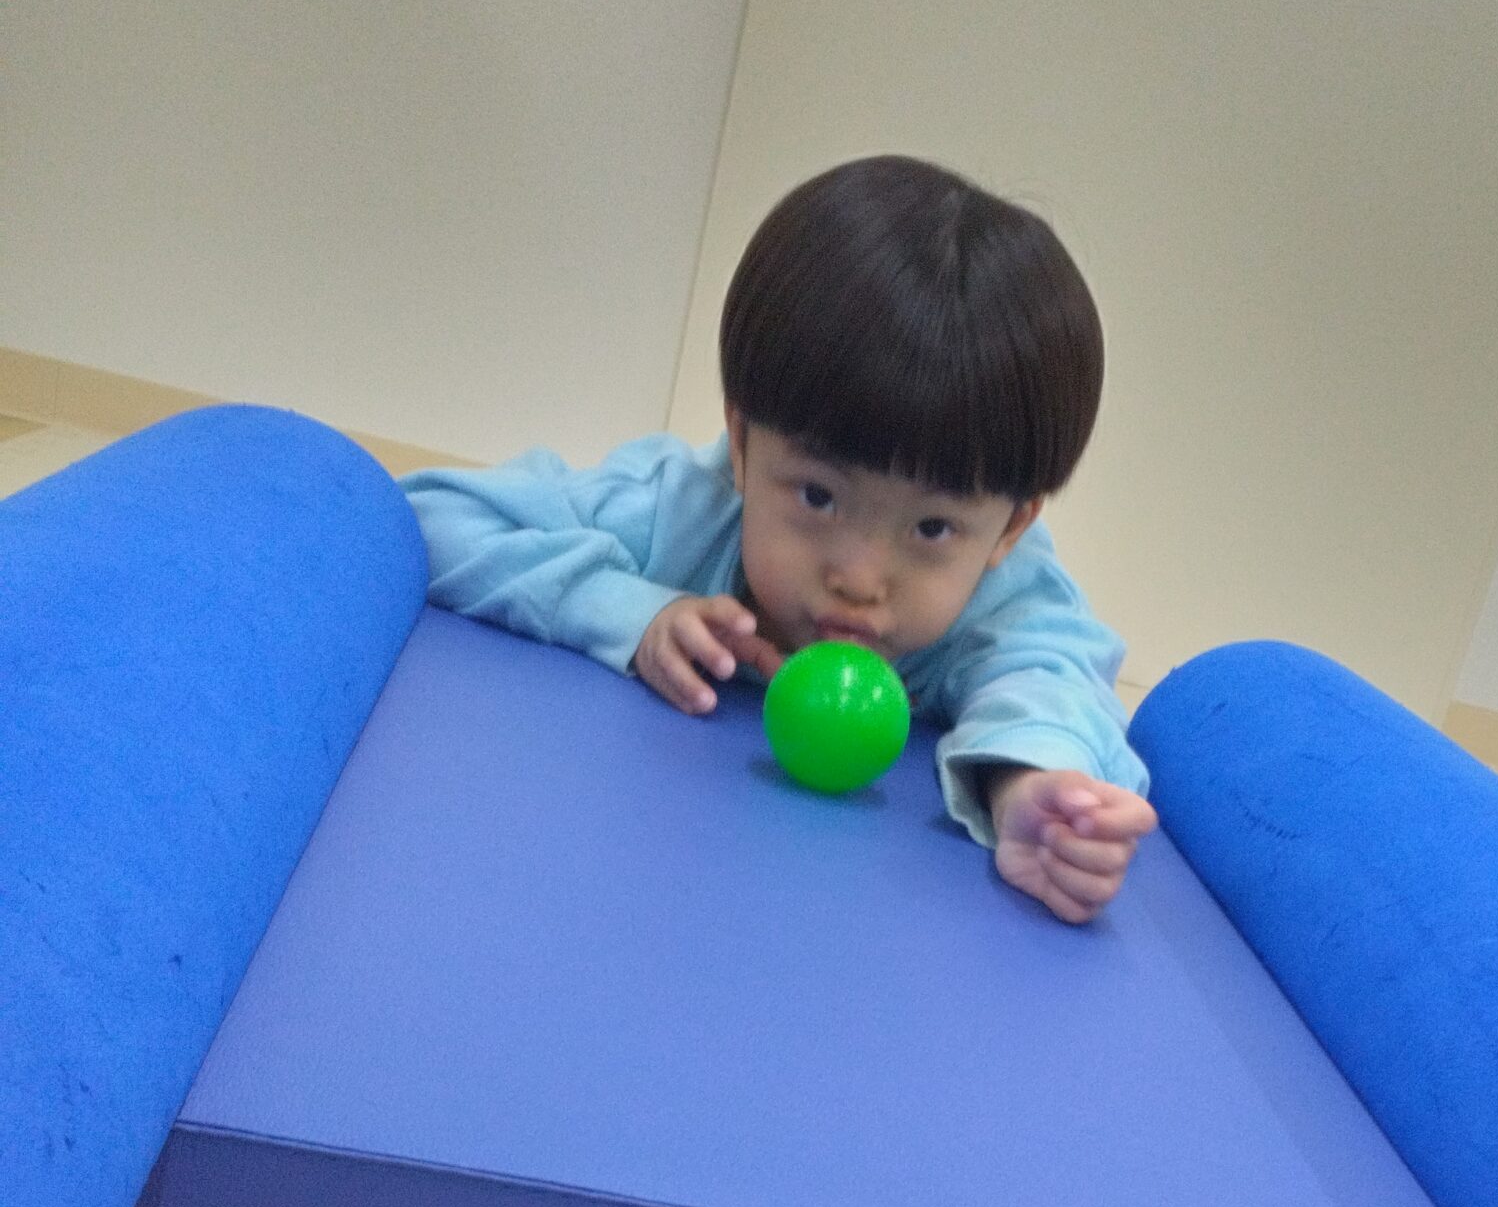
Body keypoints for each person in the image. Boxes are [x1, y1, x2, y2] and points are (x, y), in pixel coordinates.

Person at [403, 155, 1155, 924]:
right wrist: (630, 610)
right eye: (818, 497)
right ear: (741, 444)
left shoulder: (1005, 600)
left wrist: (1029, 783)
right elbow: (431, 515)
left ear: (1011, 528)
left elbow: (1058, 683)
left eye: (931, 528)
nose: (859, 578)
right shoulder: (680, 509)